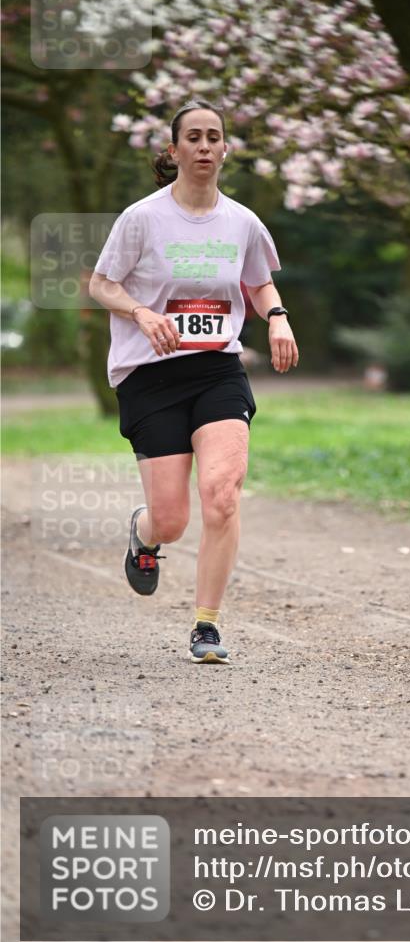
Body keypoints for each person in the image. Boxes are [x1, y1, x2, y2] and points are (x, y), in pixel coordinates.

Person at [89, 98, 298, 664]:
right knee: (173, 519)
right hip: (150, 374)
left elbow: (260, 284)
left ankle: (206, 625)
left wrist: (276, 317)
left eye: (214, 137)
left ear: (225, 149)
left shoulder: (242, 222)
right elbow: (101, 285)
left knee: (223, 496)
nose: (205, 146)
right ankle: (145, 533)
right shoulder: (142, 218)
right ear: (175, 150)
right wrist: (140, 312)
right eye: (194, 138)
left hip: (216, 369)